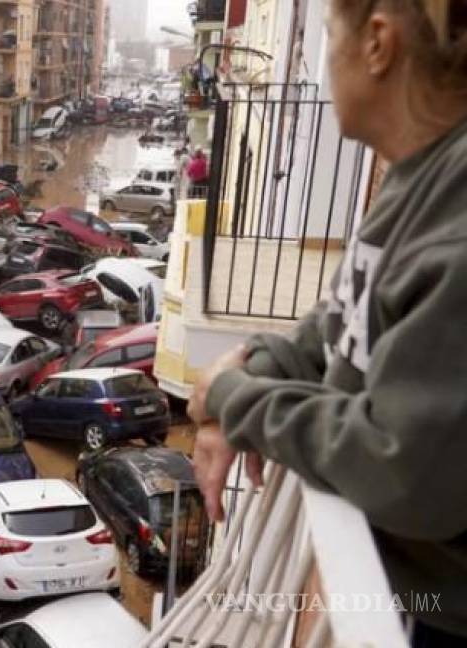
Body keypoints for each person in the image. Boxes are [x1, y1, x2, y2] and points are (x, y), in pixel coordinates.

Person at [186, 1, 467, 645]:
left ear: (377, 44)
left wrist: (234, 398)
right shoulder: (419, 173)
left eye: (327, 34)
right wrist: (255, 365)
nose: (321, 58)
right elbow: (342, 317)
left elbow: (401, 468)